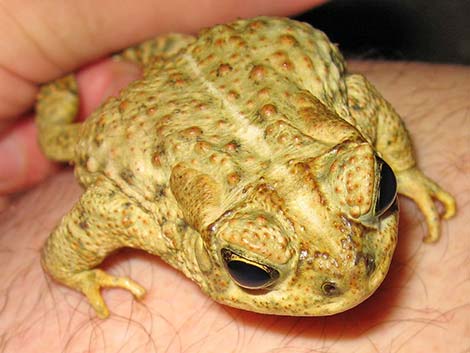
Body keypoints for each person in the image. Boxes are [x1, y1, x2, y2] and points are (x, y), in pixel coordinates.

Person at [0, 1, 468, 352]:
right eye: (254, 268)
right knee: (58, 141)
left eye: (377, 192)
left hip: (240, 59)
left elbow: (359, 97)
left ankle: (171, 53)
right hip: (158, 112)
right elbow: (87, 222)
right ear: (198, 241)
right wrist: (74, 272)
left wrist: (402, 168)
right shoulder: (150, 216)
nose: (348, 270)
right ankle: (69, 92)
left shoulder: (346, 140)